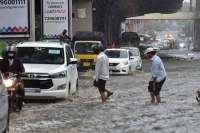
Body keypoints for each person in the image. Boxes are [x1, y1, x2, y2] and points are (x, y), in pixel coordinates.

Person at [0, 44, 26, 111]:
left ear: (14, 53)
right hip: (5, 79)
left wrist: (22, 72)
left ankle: (19, 105)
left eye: (11, 53)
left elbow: (22, 69)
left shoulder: (18, 60)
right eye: (9, 53)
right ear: (6, 53)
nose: (10, 54)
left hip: (16, 78)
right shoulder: (2, 61)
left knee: (21, 89)